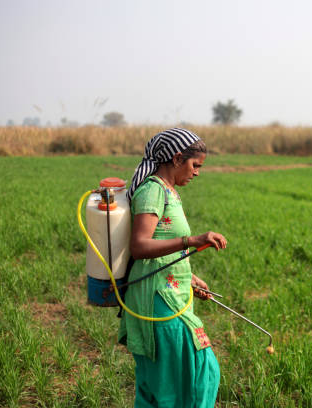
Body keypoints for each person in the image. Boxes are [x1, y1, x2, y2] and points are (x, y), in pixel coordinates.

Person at [119, 128, 227, 408]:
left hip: (169, 292)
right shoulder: (153, 190)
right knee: (201, 371)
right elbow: (140, 246)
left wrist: (189, 277)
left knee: (162, 386)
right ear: (178, 158)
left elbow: (161, 246)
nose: (197, 173)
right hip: (157, 300)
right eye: (195, 165)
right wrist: (193, 240)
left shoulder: (169, 192)